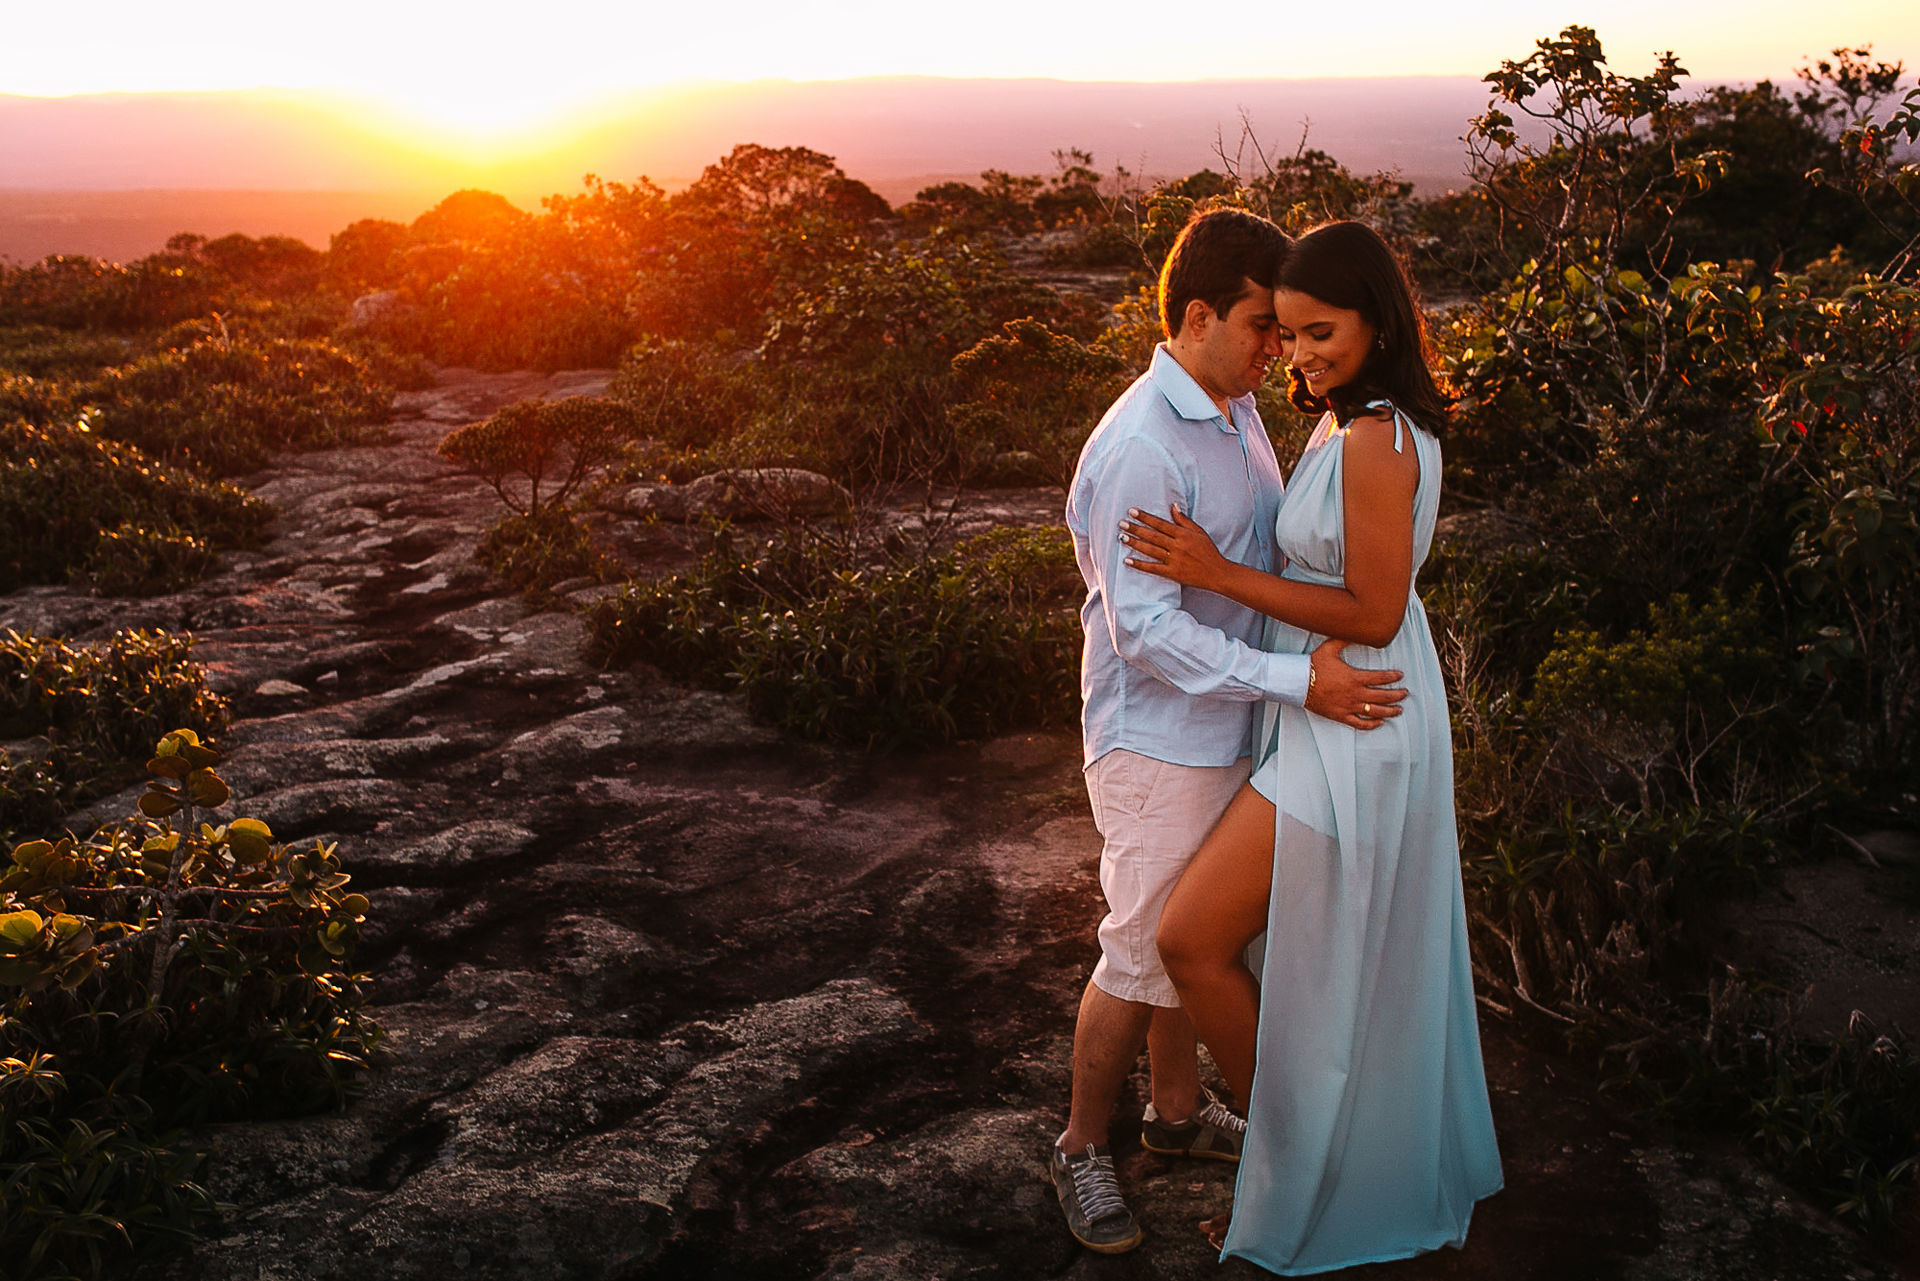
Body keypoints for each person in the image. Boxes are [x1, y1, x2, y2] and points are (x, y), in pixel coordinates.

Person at [1120, 219, 1504, 1272]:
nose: (1302, 355)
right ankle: (1311, 1168)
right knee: (1296, 962)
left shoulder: (1378, 440)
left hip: (1356, 717)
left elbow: (1374, 610)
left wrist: (1213, 570)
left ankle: (1289, 1179)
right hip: (1325, 709)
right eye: (1286, 334)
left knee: (1194, 940)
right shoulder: (1346, 424)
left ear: (1379, 320)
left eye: (1322, 331)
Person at [1052, 208, 1409, 1255]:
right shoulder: (1140, 445)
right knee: (1139, 945)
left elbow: (1253, 561)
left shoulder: (1232, 405)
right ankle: (1079, 1145)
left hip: (1237, 721)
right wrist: (1298, 680)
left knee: (1190, 937)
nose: (1279, 350)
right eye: (1262, 326)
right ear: (1199, 315)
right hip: (1159, 736)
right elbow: (1147, 633)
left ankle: (1173, 1119)